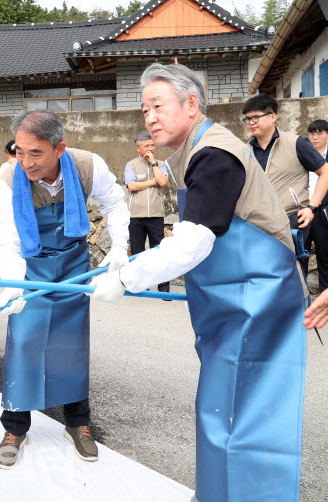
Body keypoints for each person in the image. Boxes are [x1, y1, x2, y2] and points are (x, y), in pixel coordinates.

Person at [90, 63, 307, 502]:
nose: (149, 117)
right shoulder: (195, 152)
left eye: (158, 105)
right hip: (234, 302)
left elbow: (193, 243)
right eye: (144, 108)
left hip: (259, 301)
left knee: (249, 416)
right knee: (221, 408)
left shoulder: (214, 152)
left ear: (191, 105)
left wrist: (127, 278)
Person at [0, 109, 130, 469]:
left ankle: (77, 421)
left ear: (59, 148)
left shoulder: (87, 165)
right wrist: (12, 283)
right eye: (19, 151)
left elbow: (115, 203)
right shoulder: (9, 176)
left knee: (71, 343)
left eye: (35, 153)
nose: (25, 161)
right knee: (24, 341)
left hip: (72, 266)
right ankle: (15, 426)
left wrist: (119, 247)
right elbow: (6, 234)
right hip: (30, 267)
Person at [242, 94, 328, 274]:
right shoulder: (245, 151)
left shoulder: (296, 143)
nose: (251, 122)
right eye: (247, 119)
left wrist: (312, 207)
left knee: (293, 274)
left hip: (291, 218)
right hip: (257, 223)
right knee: (263, 274)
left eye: (256, 117)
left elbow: (325, 172)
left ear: (273, 116)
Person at [124, 131, 169, 293]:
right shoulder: (131, 165)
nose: (150, 148)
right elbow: (132, 186)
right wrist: (152, 182)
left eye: (152, 145)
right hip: (135, 216)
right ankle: (140, 286)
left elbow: (162, 181)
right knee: (137, 252)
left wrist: (154, 164)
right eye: (146, 146)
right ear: (138, 148)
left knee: (160, 252)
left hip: (156, 215)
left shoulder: (161, 164)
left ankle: (164, 288)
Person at [305, 119, 328, 293]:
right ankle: (300, 297)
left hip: (324, 213)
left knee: (325, 257)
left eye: (319, 133)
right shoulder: (302, 155)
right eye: (312, 133)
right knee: (300, 256)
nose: (315, 137)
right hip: (303, 211)